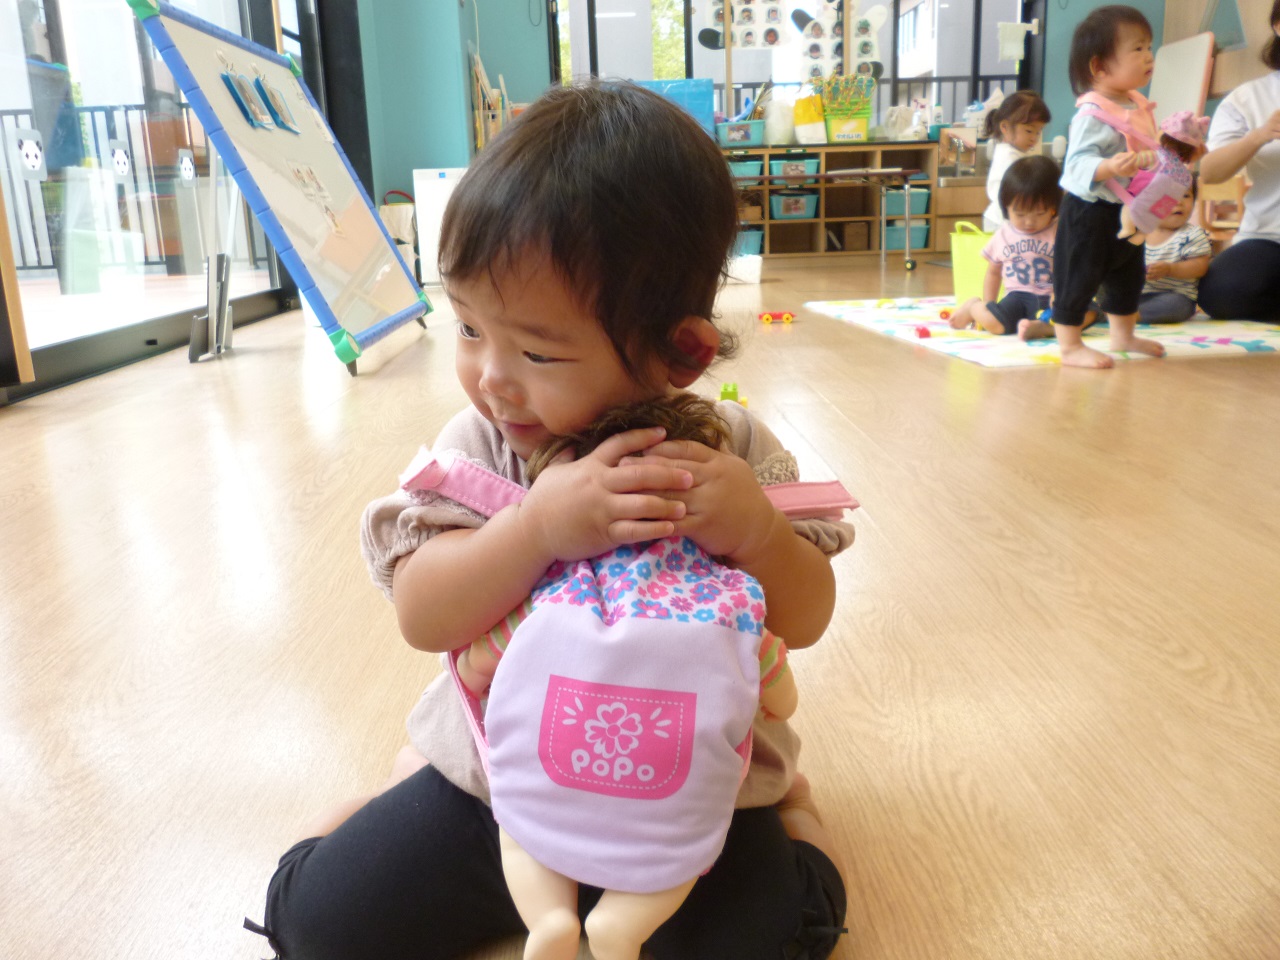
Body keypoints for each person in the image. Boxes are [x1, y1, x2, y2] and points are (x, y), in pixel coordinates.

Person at [247, 81, 853, 960]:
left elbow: (810, 614)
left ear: (680, 351)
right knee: (317, 926)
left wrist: (757, 532)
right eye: (467, 328)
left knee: (779, 937)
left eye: (535, 350)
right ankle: (387, 796)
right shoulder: (481, 449)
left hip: (691, 799)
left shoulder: (732, 452)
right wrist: (534, 530)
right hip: (496, 783)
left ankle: (800, 818)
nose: (492, 378)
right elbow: (425, 615)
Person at [447, 394, 804, 960]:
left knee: (521, 833)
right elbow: (781, 701)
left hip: (548, 787)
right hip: (670, 806)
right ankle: (621, 926)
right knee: (677, 859)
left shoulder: (553, 591)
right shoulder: (733, 606)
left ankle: (549, 920)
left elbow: (473, 667)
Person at [1052, 5, 1167, 368]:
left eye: (1149, 47)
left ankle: (1123, 335)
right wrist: (1108, 166)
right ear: (1099, 67)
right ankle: (1070, 346)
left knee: (1128, 275)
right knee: (1078, 277)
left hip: (1129, 210)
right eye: (1137, 49)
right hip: (1090, 212)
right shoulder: (1092, 114)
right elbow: (1075, 165)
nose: (1148, 56)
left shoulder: (1137, 103)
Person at [1197, 0, 1280, 322]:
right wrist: (1258, 136)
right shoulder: (1247, 98)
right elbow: (1210, 172)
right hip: (1269, 239)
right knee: (1221, 291)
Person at [951, 155, 1062, 340]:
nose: (1029, 222)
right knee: (996, 325)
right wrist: (988, 306)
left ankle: (1042, 327)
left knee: (1085, 313)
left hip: (1050, 296)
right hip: (1017, 298)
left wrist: (1060, 295)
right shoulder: (1004, 234)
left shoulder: (1059, 231)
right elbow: (993, 273)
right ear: (1006, 208)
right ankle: (973, 307)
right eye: (1020, 214)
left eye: (1039, 213)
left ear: (1054, 208)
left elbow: (1068, 269)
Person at [1138, 182, 1212, 323]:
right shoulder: (1137, 233)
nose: (1178, 202)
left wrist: (1170, 269)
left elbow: (1200, 267)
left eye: (1185, 195)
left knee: (1178, 307)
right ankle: (1113, 311)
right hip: (1136, 294)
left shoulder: (1192, 234)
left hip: (1174, 295)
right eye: (1167, 196)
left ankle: (1128, 316)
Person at [981, 90, 1052, 232]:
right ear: (1005, 127)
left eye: (1038, 132)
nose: (1034, 138)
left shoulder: (1014, 153)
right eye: (1029, 131)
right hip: (1000, 221)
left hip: (1002, 219)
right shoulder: (1009, 157)